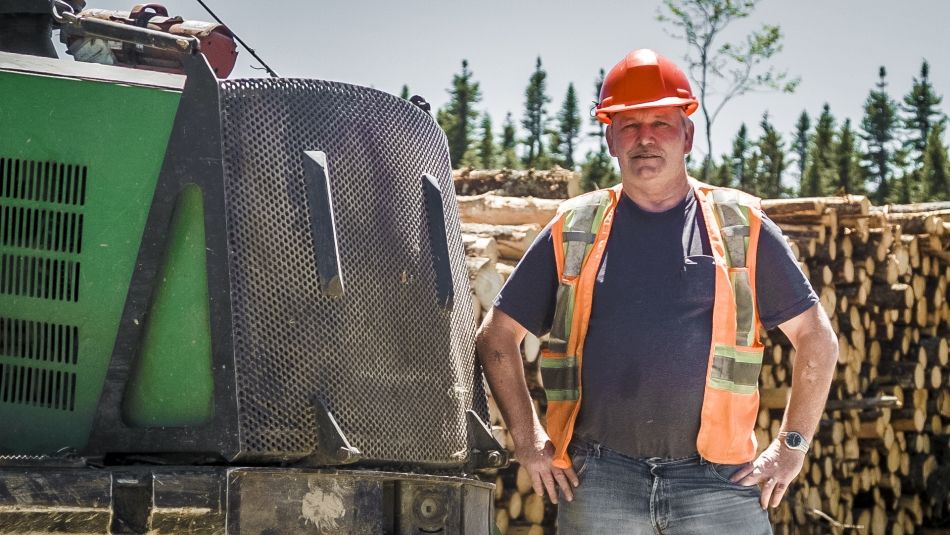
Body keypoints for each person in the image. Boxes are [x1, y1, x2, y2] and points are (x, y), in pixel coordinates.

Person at [475, 49, 838, 534]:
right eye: (628, 125)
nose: (644, 138)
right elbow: (497, 337)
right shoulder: (574, 227)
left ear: (687, 135)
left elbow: (818, 340)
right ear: (610, 138)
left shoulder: (740, 227)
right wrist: (527, 437)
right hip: (600, 478)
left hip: (720, 481)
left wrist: (790, 447)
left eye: (660, 123)